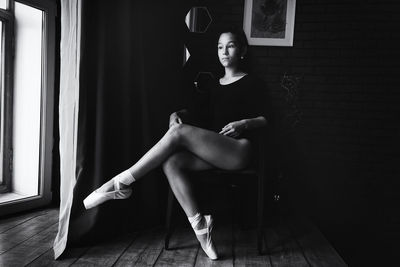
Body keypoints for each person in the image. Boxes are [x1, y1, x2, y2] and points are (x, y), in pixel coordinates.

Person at [83, 27, 268, 260]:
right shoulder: (213, 85)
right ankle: (201, 227)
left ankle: (119, 182)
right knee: (171, 161)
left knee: (178, 134)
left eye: (230, 45)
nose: (224, 51)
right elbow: (196, 114)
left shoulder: (253, 83)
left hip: (239, 150)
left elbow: (267, 118)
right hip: (213, 151)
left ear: (242, 50)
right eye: (220, 47)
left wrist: (244, 123)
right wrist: (175, 114)